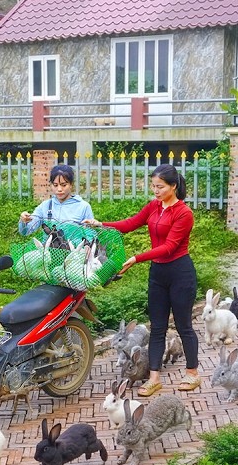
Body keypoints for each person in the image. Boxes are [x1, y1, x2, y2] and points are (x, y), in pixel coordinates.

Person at [83, 164, 199, 397]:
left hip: (180, 273)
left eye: (160, 187)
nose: (155, 191)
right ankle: (154, 378)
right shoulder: (154, 206)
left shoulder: (183, 213)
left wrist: (137, 258)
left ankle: (192, 373)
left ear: (173, 186)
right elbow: (130, 224)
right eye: (153, 186)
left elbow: (169, 247)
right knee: (157, 327)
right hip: (158, 274)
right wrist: (101, 224)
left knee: (184, 325)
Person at [19, 164, 94, 236]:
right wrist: (23, 221)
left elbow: (90, 235)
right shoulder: (45, 206)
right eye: (55, 185)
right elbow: (25, 231)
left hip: (75, 245)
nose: (59, 189)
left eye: (64, 185)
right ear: (51, 185)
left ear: (71, 185)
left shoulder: (83, 207)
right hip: (48, 245)